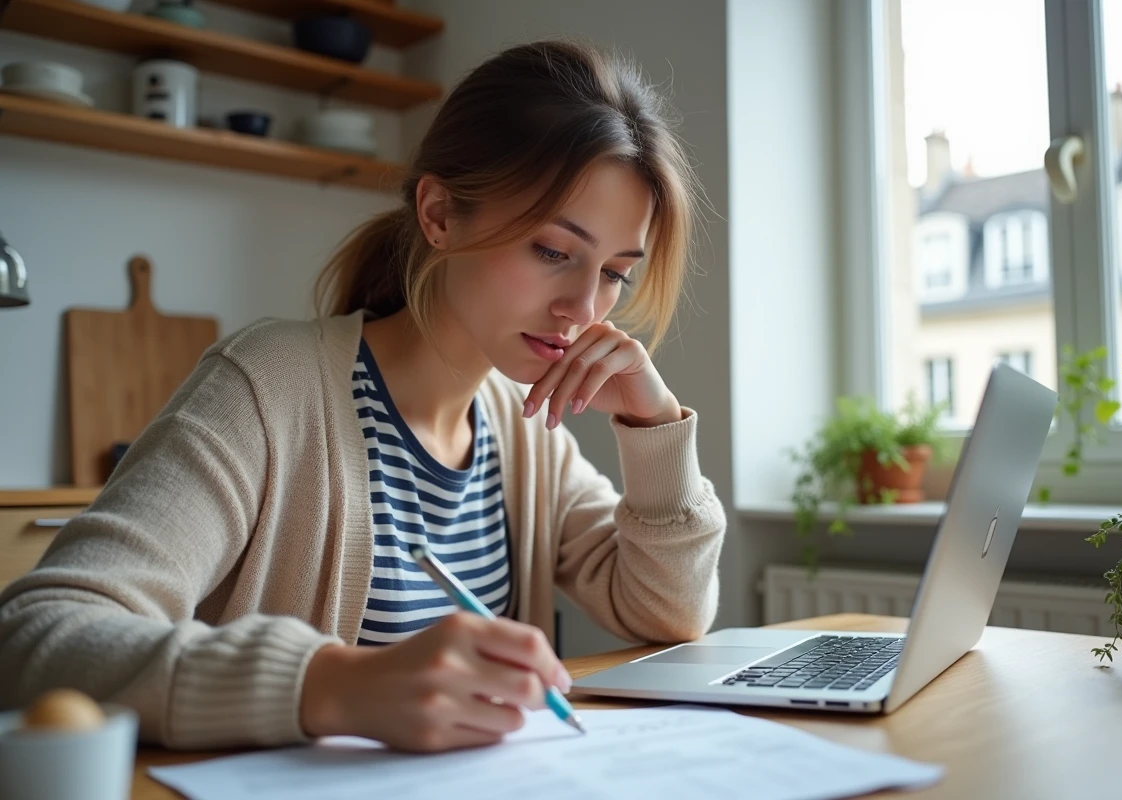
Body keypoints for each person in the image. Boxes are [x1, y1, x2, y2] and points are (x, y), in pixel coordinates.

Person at [0, 39, 725, 754]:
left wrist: (653, 424)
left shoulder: (525, 431)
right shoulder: (268, 387)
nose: (584, 309)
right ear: (439, 214)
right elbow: (35, 635)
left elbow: (669, 615)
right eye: (552, 251)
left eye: (614, 273)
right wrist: (333, 686)